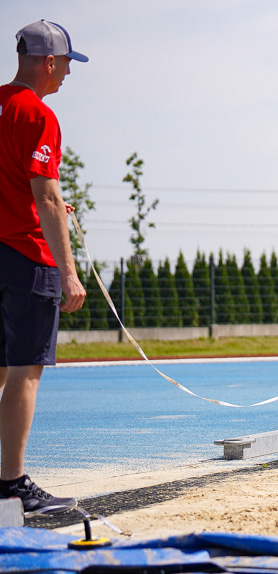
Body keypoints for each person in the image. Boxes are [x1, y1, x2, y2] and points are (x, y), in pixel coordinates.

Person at [0, 20, 88, 514]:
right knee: (24, 371)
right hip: (27, 256)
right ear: (48, 61)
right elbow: (46, 194)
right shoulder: (37, 114)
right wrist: (69, 271)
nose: (67, 77)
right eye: (67, 65)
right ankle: (11, 483)